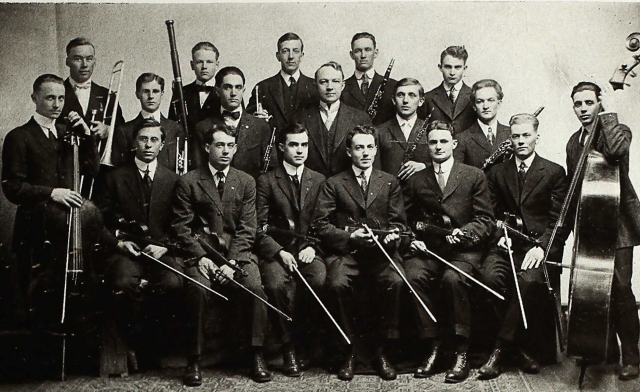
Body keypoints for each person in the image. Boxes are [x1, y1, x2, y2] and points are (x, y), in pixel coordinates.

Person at [172, 124, 271, 385]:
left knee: (254, 287)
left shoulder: (246, 181)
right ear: (207, 148)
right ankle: (194, 359)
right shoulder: (189, 181)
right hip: (202, 255)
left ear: (236, 148)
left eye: (230, 145)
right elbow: (181, 227)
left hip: (238, 255)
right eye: (219, 145)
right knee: (197, 289)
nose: (225, 151)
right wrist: (200, 257)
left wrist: (234, 262)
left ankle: (256, 354)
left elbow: (248, 228)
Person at [2, 74, 99, 321]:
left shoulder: (71, 134)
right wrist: (51, 193)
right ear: (34, 98)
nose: (57, 104)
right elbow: (12, 187)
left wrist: (87, 135)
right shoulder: (19, 136)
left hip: (68, 229)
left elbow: (94, 170)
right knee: (38, 298)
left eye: (61, 98)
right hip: (36, 229)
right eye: (49, 98)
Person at [478, 113, 568, 379]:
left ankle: (499, 350)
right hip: (506, 246)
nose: (521, 141)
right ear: (510, 138)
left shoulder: (553, 172)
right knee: (487, 278)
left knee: (529, 282)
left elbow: (560, 222)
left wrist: (542, 247)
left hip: (539, 249)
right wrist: (499, 236)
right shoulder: (497, 172)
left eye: (526, 135)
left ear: (536, 137)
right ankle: (517, 350)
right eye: (515, 136)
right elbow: (489, 214)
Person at [311, 125, 405, 381]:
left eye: (369, 147)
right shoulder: (334, 183)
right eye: (359, 147)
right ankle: (348, 350)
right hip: (347, 253)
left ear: (376, 150)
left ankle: (381, 350)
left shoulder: (389, 182)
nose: (365, 153)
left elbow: (399, 223)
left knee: (395, 282)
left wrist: (392, 235)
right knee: (336, 283)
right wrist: (349, 236)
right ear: (349, 151)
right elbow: (320, 224)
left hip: (381, 254)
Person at [402, 120, 493, 383]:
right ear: (427, 146)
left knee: (453, 280)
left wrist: (463, 234)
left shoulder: (474, 175)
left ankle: (461, 352)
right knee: (413, 276)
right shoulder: (417, 180)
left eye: (443, 141)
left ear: (454, 144)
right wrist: (411, 240)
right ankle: (434, 346)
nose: (438, 146)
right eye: (433, 142)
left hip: (464, 251)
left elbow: (485, 219)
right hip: (429, 250)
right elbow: (405, 219)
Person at [565, 82, 640, 380]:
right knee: (596, 290)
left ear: (600, 102)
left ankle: (632, 357)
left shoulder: (618, 129)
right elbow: (575, 185)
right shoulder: (574, 140)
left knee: (621, 289)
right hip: (590, 224)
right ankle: (605, 350)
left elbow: (617, 151)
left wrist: (607, 116)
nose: (583, 109)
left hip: (618, 223)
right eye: (577, 104)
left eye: (588, 103)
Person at [93, 119, 183, 368]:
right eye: (143, 139)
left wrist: (165, 245)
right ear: (134, 143)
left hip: (160, 252)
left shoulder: (174, 180)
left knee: (173, 283)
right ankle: (129, 344)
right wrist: (118, 244)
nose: (148, 145)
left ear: (163, 144)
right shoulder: (113, 177)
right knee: (123, 282)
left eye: (154, 139)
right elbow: (98, 222)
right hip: (125, 251)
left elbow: (180, 224)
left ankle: (152, 347)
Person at [256, 123, 327, 376]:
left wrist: (310, 246)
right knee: (275, 286)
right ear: (281, 147)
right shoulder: (266, 181)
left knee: (318, 280)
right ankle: (287, 348)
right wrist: (279, 252)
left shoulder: (319, 180)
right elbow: (258, 227)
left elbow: (323, 223)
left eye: (304, 145)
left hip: (308, 251)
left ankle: (308, 345)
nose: (300, 150)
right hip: (277, 253)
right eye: (294, 145)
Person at [194, 66, 274, 178]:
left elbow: (271, 170)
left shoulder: (260, 126)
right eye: (227, 87)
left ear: (243, 91)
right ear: (217, 91)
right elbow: (198, 171)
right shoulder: (203, 127)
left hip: (252, 193)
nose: (233, 93)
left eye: (238, 87)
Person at [296, 62, 372, 178]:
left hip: (348, 189)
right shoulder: (301, 117)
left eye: (335, 81)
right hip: (311, 188)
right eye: (323, 82)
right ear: (315, 85)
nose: (330, 87)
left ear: (343, 85)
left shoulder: (360, 118)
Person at [60, 37, 124, 159]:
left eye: (89, 59)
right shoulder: (58, 93)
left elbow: (123, 131)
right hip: (67, 162)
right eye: (78, 59)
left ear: (95, 61)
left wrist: (108, 130)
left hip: (99, 165)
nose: (84, 65)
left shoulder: (107, 95)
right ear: (67, 62)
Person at [246, 33, 318, 136]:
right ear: (278, 56)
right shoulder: (262, 88)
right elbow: (247, 122)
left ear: (301, 56)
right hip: (273, 150)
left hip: (304, 150)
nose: (291, 56)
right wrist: (255, 119)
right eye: (285, 51)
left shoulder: (314, 87)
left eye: (295, 51)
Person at [111, 73, 184, 170]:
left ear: (162, 94)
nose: (151, 96)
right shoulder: (124, 131)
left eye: (155, 91)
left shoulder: (176, 129)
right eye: (146, 91)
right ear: (137, 94)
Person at [377, 78, 429, 180]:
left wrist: (424, 166)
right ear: (393, 100)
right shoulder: (379, 131)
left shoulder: (430, 130)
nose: (405, 100)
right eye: (400, 95)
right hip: (390, 193)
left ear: (421, 101)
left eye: (412, 95)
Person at [341, 32, 397, 126]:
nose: (363, 55)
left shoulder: (393, 86)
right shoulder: (341, 87)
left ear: (375, 53)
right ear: (351, 55)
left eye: (367, 50)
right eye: (358, 51)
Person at [417, 46, 475, 134]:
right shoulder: (428, 98)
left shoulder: (474, 96)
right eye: (448, 67)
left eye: (457, 67)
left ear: (465, 68)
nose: (452, 72)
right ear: (440, 67)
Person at [454, 79, 510, 169]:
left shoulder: (511, 134)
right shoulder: (462, 139)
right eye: (480, 101)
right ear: (474, 106)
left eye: (490, 100)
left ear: (499, 103)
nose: (485, 106)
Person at [168, 41, 222, 135]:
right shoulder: (182, 92)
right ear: (192, 65)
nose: (204, 67)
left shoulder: (227, 92)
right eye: (199, 62)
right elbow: (172, 126)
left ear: (217, 65)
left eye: (209, 62)